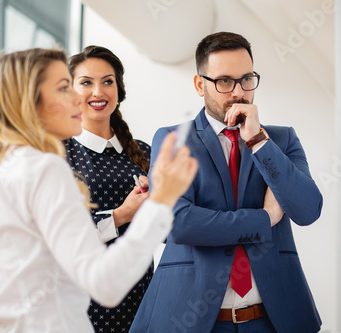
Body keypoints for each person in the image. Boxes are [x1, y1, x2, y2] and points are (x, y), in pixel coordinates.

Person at [0, 48, 198, 333]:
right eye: (66, 87)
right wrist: (160, 202)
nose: (78, 99)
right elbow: (105, 285)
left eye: (107, 81)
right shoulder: (47, 167)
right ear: (30, 100)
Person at [130, 32, 323, 333]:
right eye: (224, 81)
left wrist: (259, 143)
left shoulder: (281, 140)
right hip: (190, 318)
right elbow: (178, 223)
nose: (238, 92)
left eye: (247, 79)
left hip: (272, 320)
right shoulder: (172, 140)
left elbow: (308, 209)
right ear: (199, 85)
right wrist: (266, 218)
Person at [64, 45, 154, 332]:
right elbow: (62, 241)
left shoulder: (143, 151)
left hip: (142, 296)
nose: (98, 92)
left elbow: (164, 232)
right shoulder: (58, 154)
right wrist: (122, 215)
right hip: (83, 302)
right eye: (86, 83)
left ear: (119, 88)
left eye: (107, 81)